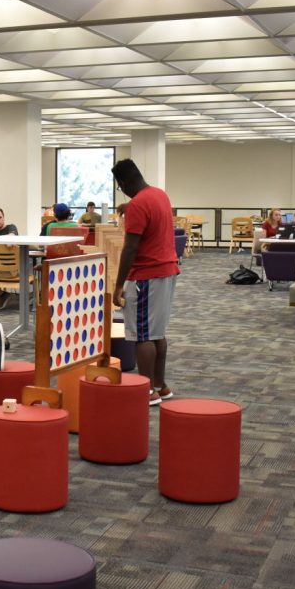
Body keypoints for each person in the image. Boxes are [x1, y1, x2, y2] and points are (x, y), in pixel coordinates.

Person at [110, 158, 179, 407]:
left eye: (120, 186)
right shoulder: (160, 195)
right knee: (157, 331)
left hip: (146, 275)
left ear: (124, 182)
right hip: (167, 271)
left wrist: (118, 286)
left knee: (142, 335)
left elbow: (130, 248)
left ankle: (148, 390)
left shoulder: (138, 203)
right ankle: (161, 386)